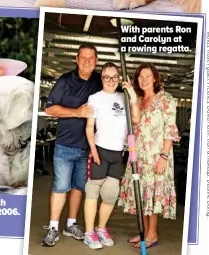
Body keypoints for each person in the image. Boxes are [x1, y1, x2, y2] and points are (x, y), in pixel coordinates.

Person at [40, 43, 101, 247]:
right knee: (60, 187)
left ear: (96, 60)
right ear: (76, 59)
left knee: (78, 187)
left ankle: (71, 224)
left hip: (88, 147)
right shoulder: (65, 80)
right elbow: (49, 109)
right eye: (83, 57)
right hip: (65, 145)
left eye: (90, 58)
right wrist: (77, 112)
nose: (86, 61)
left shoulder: (99, 81)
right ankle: (53, 227)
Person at [118, 63, 180, 249]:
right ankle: (144, 232)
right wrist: (131, 96)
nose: (143, 80)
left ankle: (152, 234)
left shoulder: (165, 99)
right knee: (142, 195)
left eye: (147, 76)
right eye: (140, 77)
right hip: (139, 155)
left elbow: (170, 129)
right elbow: (134, 124)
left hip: (156, 156)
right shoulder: (138, 99)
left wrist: (163, 156)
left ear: (155, 78)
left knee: (152, 195)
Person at [83, 62, 140, 249]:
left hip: (118, 152)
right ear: (102, 78)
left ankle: (101, 228)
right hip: (100, 149)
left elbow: (136, 119)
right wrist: (93, 150)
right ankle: (89, 233)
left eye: (114, 76)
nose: (111, 80)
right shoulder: (95, 98)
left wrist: (131, 93)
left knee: (110, 194)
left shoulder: (123, 97)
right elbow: (89, 127)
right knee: (93, 191)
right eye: (107, 77)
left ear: (119, 78)